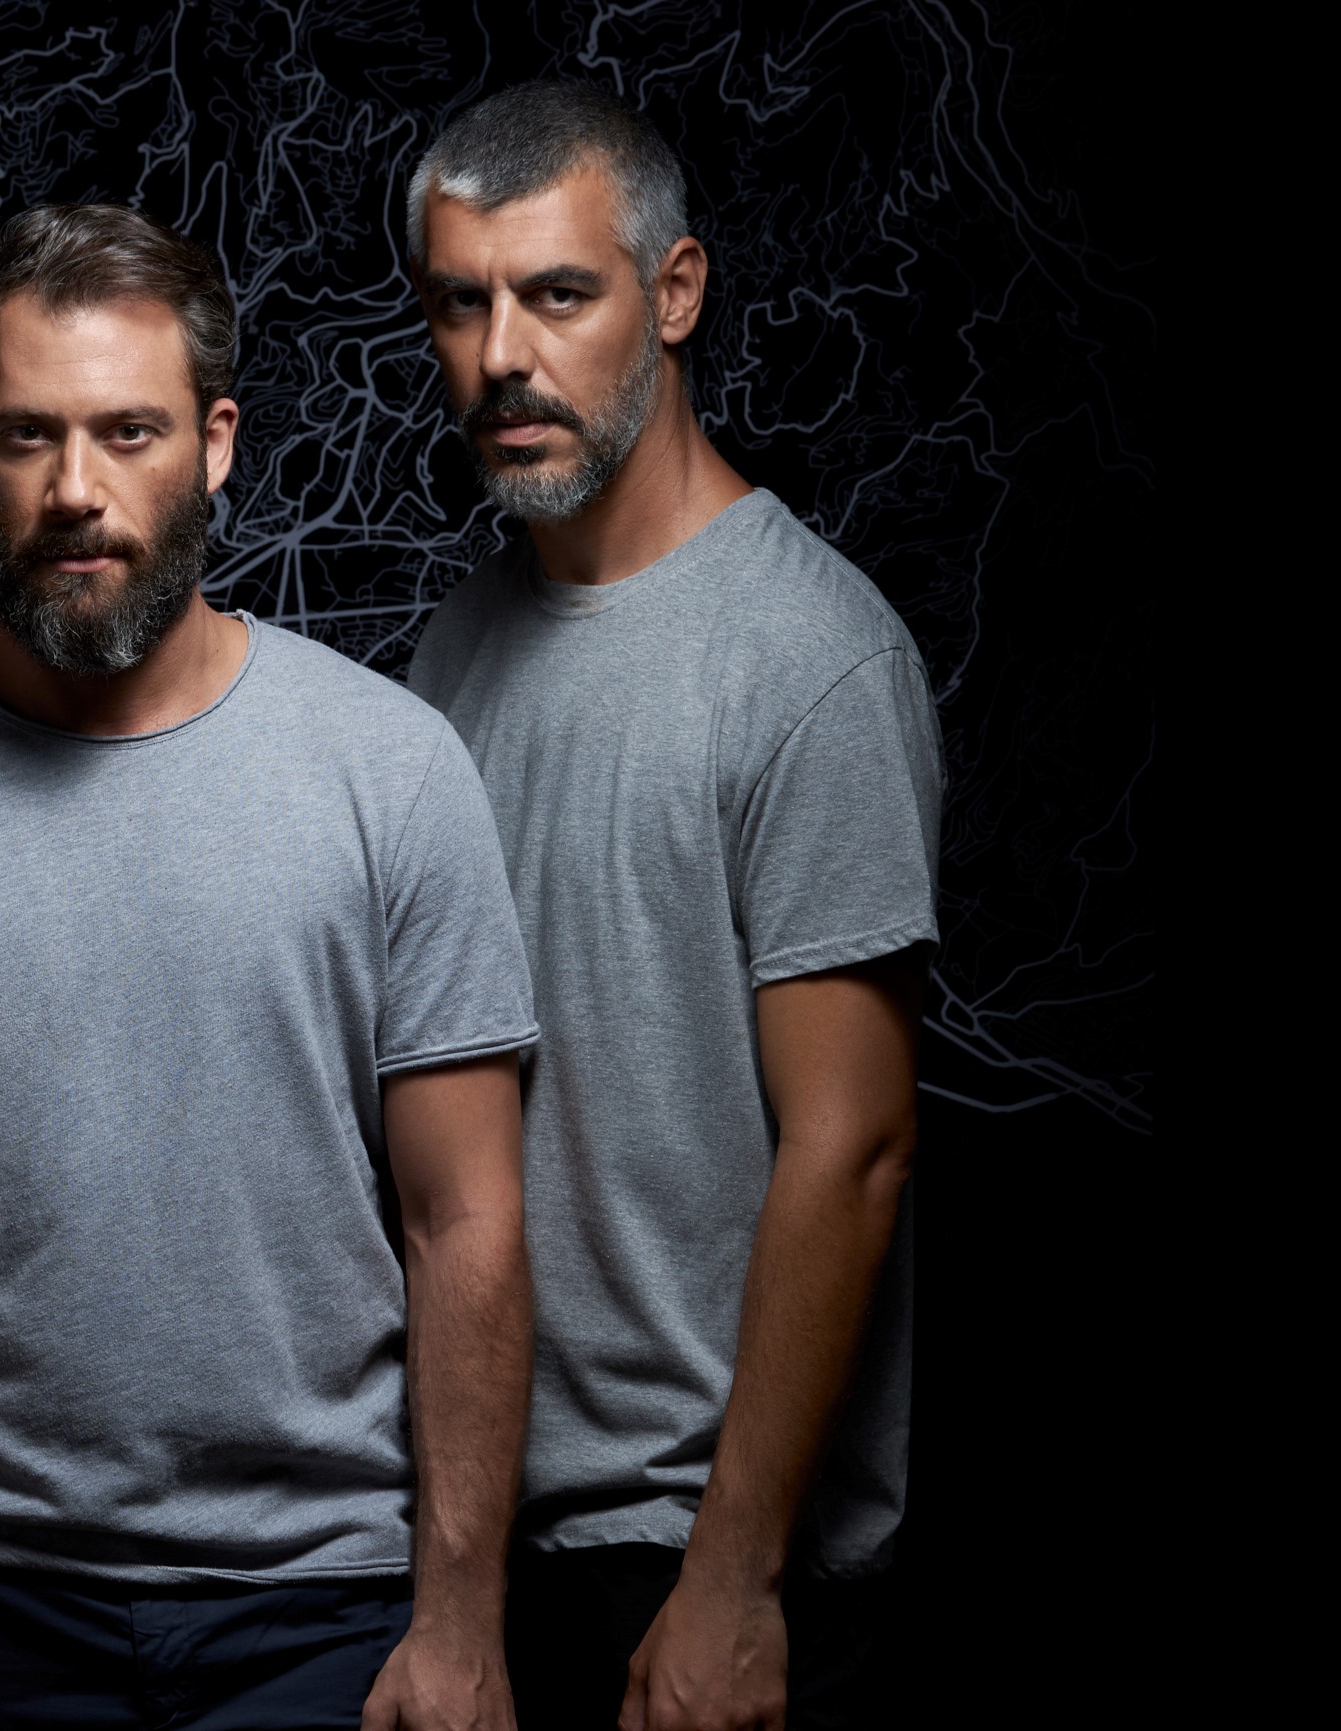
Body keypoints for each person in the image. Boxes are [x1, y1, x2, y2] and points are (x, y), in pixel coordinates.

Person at [0, 204, 540, 1731]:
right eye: (27, 435)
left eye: (130, 431)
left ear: (215, 445)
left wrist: (461, 1622)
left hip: (327, 1613)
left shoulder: (395, 773)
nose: (77, 492)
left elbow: (467, 1219)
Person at [402, 84, 942, 1731]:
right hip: (485, 1544)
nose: (503, 356)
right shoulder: (455, 650)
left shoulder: (809, 661)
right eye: (462, 304)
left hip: (701, 1559)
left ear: (677, 292)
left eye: (559, 294)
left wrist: (733, 1578)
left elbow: (855, 1146)